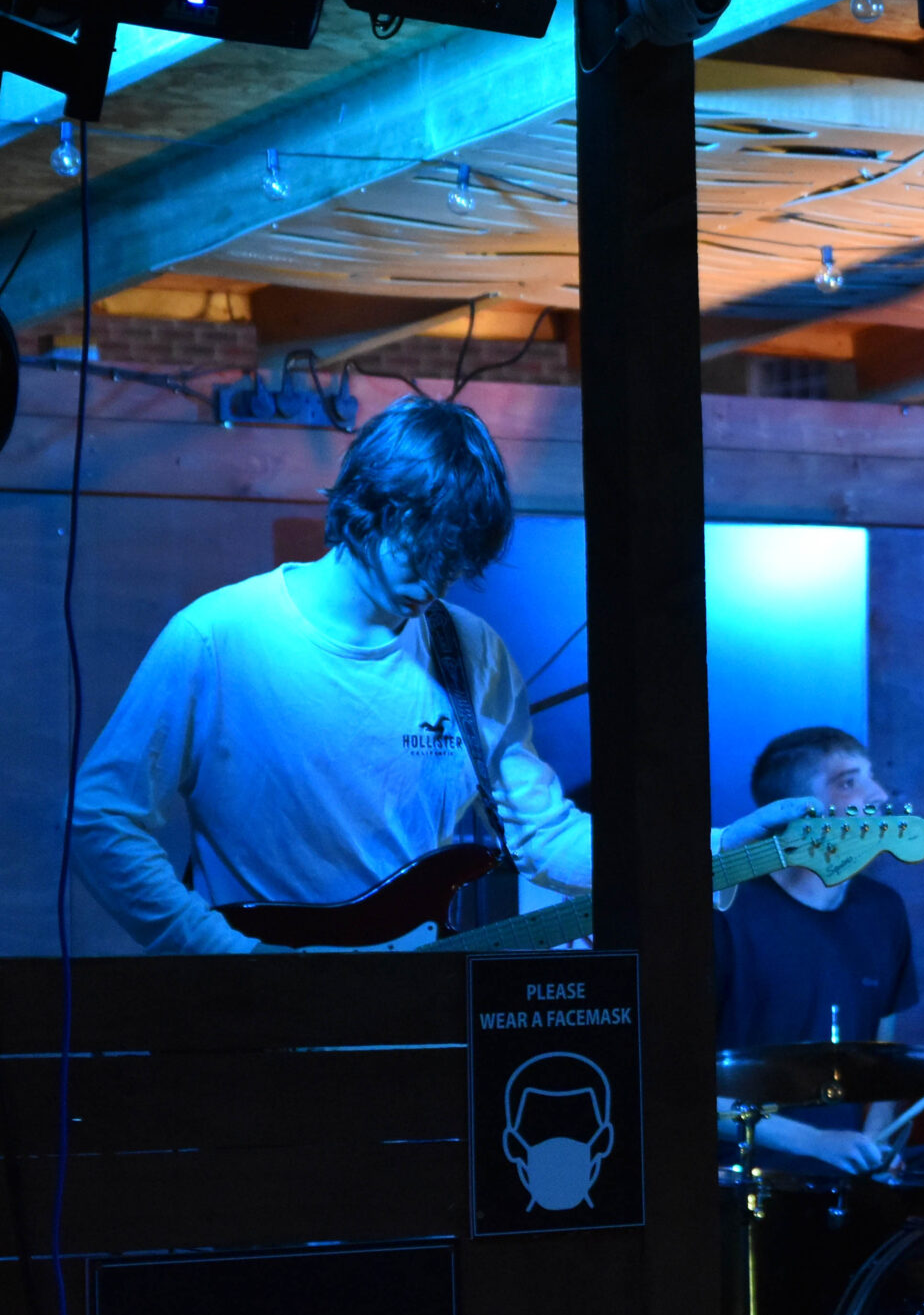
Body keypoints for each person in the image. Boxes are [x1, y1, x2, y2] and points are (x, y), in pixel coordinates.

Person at [71, 396, 590, 953]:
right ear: (375, 507)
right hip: (260, 1001)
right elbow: (102, 819)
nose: (437, 582)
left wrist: (660, 859)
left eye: (453, 564)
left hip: (412, 1000)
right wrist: (225, 954)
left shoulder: (473, 652)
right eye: (424, 554)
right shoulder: (216, 637)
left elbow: (541, 832)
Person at [714, 726, 919, 1177]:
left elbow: (883, 1058)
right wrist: (814, 1143)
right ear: (795, 811)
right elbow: (670, 1082)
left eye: (872, 777)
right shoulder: (725, 911)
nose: (878, 796)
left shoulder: (883, 909)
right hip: (744, 1173)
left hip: (845, 1172)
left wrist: (875, 1146)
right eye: (849, 782)